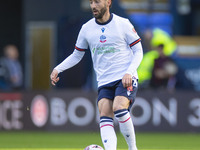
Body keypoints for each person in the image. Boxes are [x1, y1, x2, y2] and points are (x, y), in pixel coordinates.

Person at [50, 0, 143, 150]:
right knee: (105, 114)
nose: (93, 6)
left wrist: (129, 72)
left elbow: (138, 51)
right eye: (91, 2)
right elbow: (77, 55)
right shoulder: (86, 29)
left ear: (108, 2)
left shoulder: (123, 24)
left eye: (97, 2)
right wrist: (58, 69)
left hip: (124, 77)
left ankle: (133, 148)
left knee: (119, 108)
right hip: (104, 81)